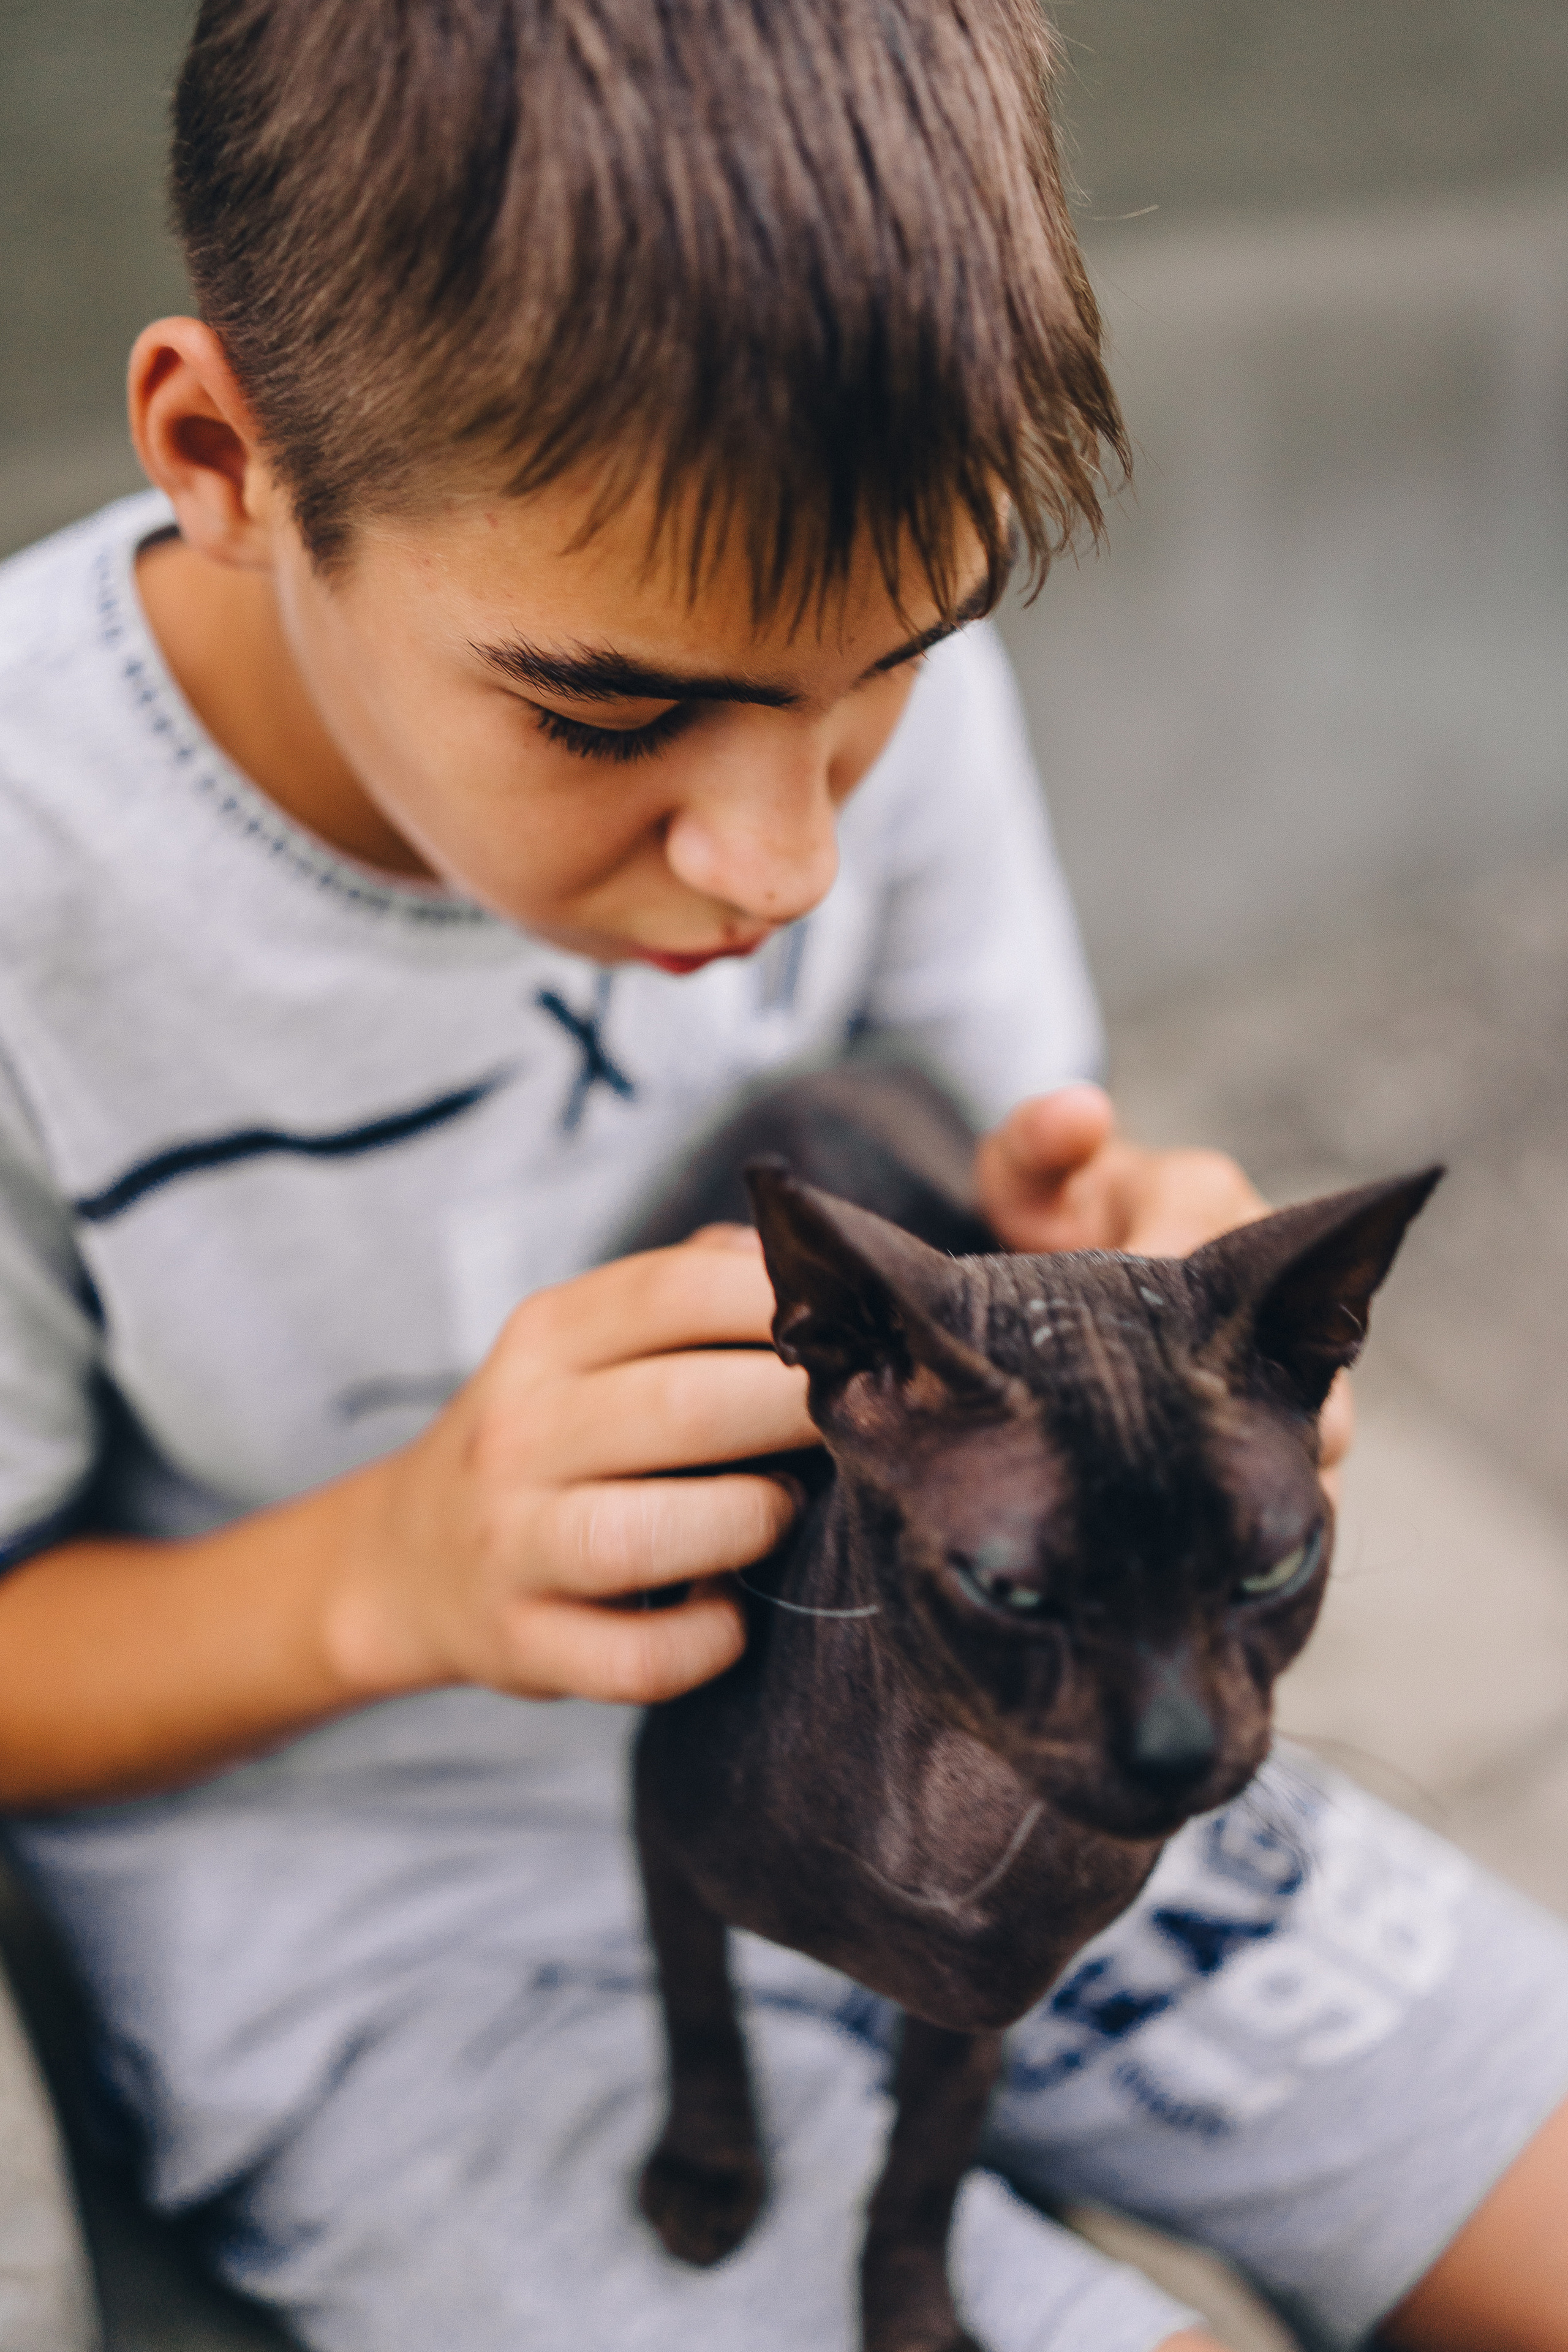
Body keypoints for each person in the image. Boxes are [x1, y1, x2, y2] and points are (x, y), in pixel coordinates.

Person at [0, 4, 1564, 2348]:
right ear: (226, 451)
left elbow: (1023, 1170)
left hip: (984, 1734)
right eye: (608, 714)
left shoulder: (800, 607)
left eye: (889, 677)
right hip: (401, 1916)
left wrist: (1133, 1289)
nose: (781, 850)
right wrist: (392, 1573)